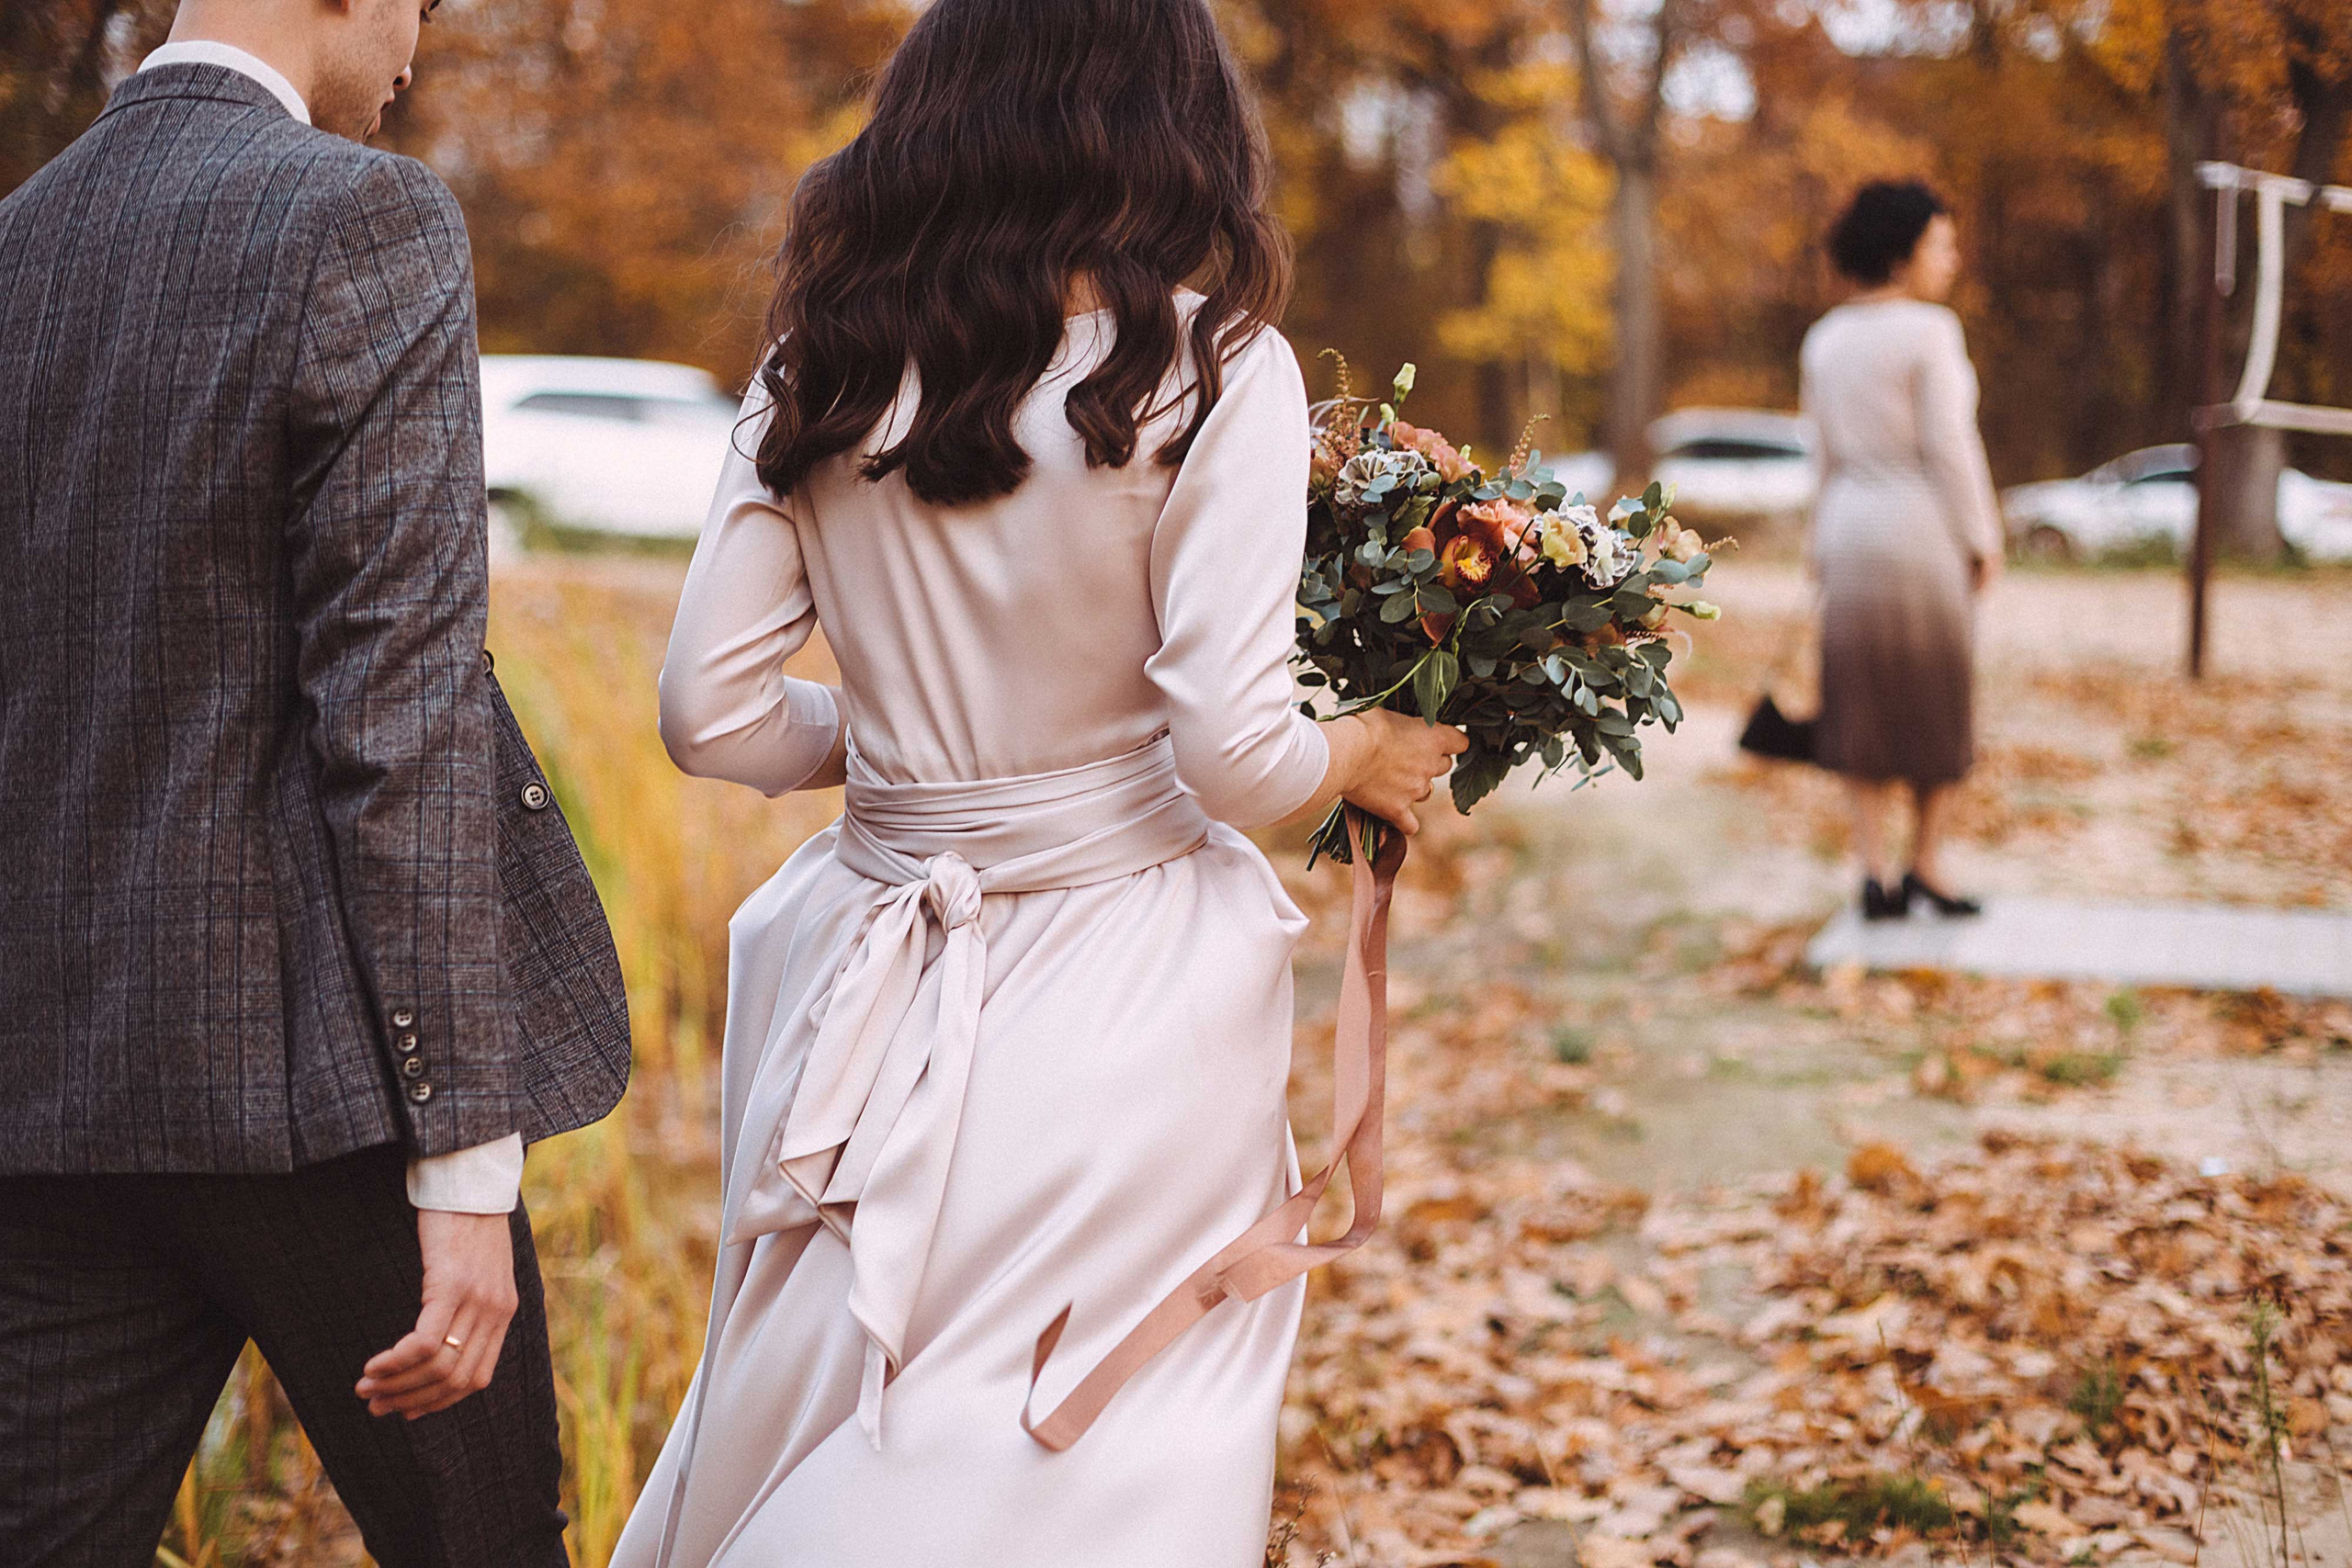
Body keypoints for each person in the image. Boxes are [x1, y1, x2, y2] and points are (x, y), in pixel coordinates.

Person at [610, 1, 1463, 1563]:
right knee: (1087, 1439)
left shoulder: (820, 364)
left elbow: (708, 711)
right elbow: (1234, 750)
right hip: (1120, 977)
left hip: (865, 962)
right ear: (1173, 124)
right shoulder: (1213, 367)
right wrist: (1362, 748)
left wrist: (911, 765)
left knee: (846, 1384)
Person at [0, 3, 632, 1564]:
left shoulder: (18, 243)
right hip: (326, 1103)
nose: (418, 43)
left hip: (51, 1100)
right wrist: (466, 1161)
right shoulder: (361, 216)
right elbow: (400, 704)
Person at [1800, 179, 2005, 921]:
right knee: (1936, 698)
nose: (1952, 259)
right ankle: (1926, 863)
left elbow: (1818, 454)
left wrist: (1816, 545)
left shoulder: (1824, 339)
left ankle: (1872, 868)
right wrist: (1982, 535)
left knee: (1858, 699)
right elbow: (1950, 445)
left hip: (1850, 527)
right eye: (1940, 245)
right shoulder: (1931, 331)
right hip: (1922, 528)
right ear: (1902, 252)